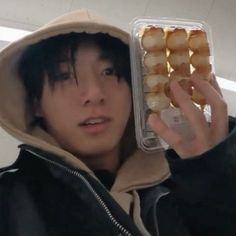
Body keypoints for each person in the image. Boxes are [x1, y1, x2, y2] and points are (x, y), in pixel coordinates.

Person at [0, 8, 235, 236]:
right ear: (35, 104)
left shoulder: (185, 190)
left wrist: (213, 180)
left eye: (109, 71)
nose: (94, 93)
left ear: (136, 90)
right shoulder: (8, 203)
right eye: (64, 75)